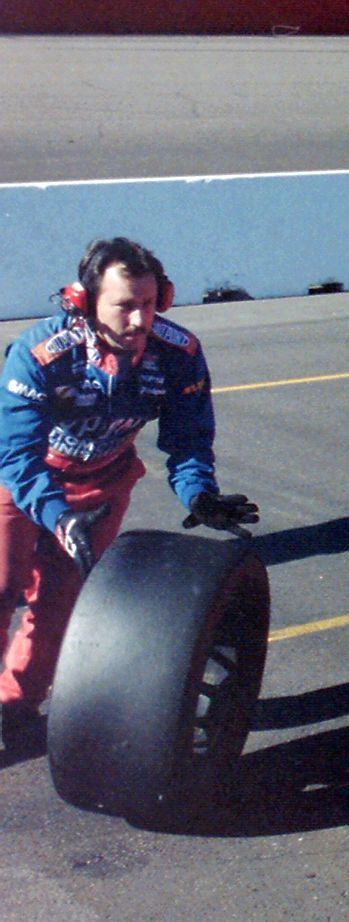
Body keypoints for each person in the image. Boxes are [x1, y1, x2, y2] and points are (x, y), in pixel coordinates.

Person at [0, 238, 257, 752]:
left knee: (60, 603)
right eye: (123, 305)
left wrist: (200, 496)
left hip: (104, 483)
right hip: (21, 485)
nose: (139, 320)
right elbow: (15, 459)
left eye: (148, 303)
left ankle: (14, 708)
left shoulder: (179, 352)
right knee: (2, 586)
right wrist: (56, 515)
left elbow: (187, 442)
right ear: (86, 301)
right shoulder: (39, 354)